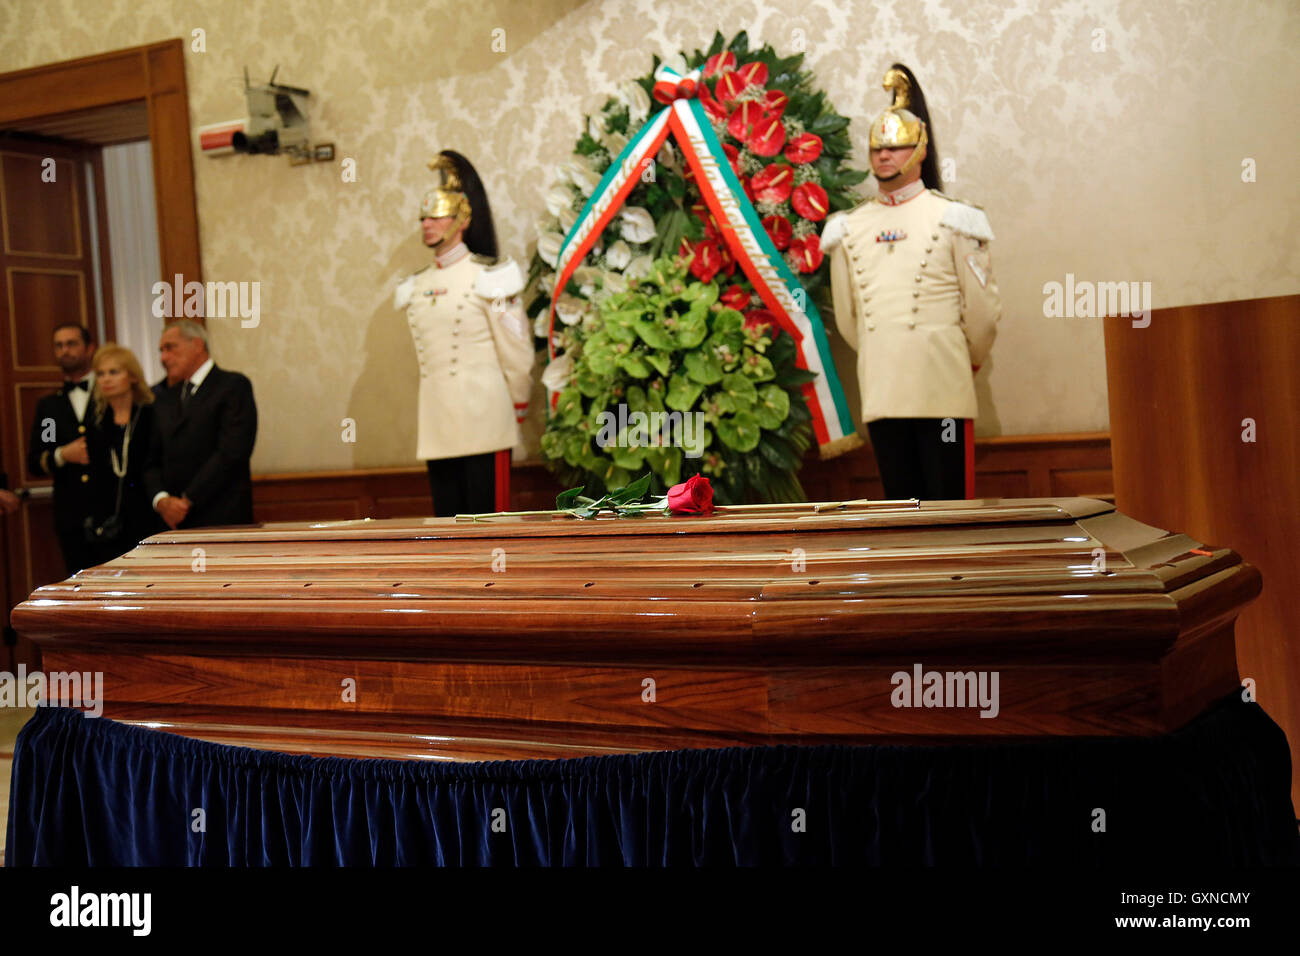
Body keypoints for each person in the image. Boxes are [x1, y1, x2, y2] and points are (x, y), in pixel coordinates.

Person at [823, 64, 1001, 501]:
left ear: (920, 150)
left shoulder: (956, 219)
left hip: (944, 389)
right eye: (878, 149)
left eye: (898, 146)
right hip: (884, 389)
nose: (886, 156)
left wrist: (964, 361)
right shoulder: (848, 227)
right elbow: (851, 320)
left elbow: (981, 315)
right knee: (901, 516)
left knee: (950, 515)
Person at [394, 150, 534, 516]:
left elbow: (516, 350)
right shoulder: (417, 284)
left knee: (489, 529)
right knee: (448, 535)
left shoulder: (491, 276)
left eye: (436, 216)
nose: (427, 224)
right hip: (437, 425)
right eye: (423, 217)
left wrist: (517, 407)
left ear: (462, 219)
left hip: (485, 423)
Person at [143, 320, 258, 529]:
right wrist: (161, 500)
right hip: (171, 521)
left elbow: (232, 452)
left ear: (197, 345)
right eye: (160, 350)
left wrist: (186, 501)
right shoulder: (164, 396)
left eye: (170, 348)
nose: (163, 358)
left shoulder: (232, 386)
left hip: (222, 517)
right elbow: (150, 458)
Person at [26, 322, 98, 573]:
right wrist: (62, 454)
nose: (64, 350)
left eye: (71, 343)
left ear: (89, 348)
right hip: (71, 515)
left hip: (113, 511)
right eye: (59, 345)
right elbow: (38, 458)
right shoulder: (50, 408)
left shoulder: (111, 392)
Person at [83, 344, 164, 561]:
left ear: (133, 377)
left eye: (114, 372)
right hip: (106, 514)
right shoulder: (95, 419)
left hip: (146, 510)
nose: (106, 379)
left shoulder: (150, 413)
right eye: (100, 374)